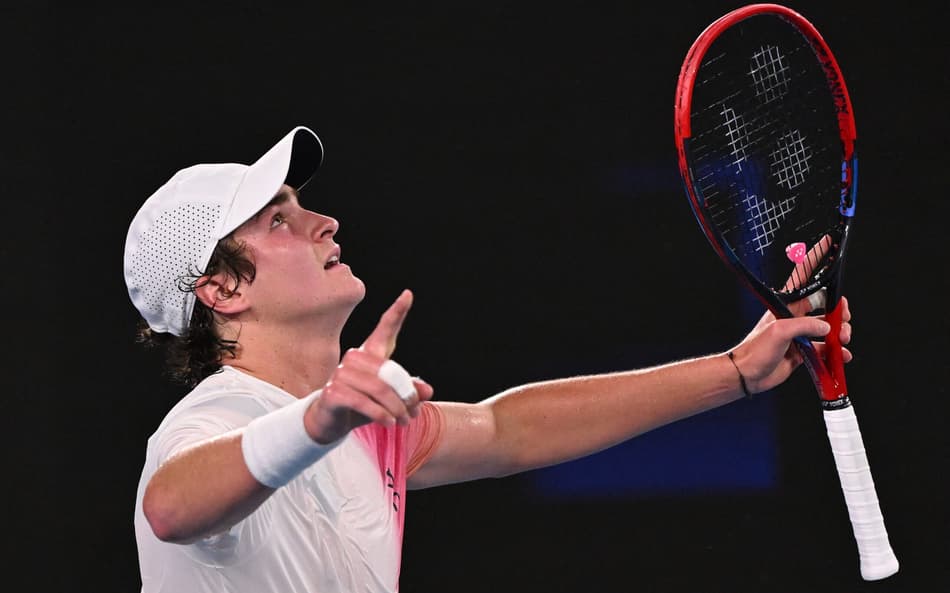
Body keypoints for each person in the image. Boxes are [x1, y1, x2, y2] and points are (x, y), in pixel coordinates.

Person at [126, 126, 851, 593]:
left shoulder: (365, 423)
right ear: (220, 288)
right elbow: (170, 505)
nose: (325, 220)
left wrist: (737, 370)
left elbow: (509, 429)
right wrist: (317, 420)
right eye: (279, 219)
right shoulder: (218, 417)